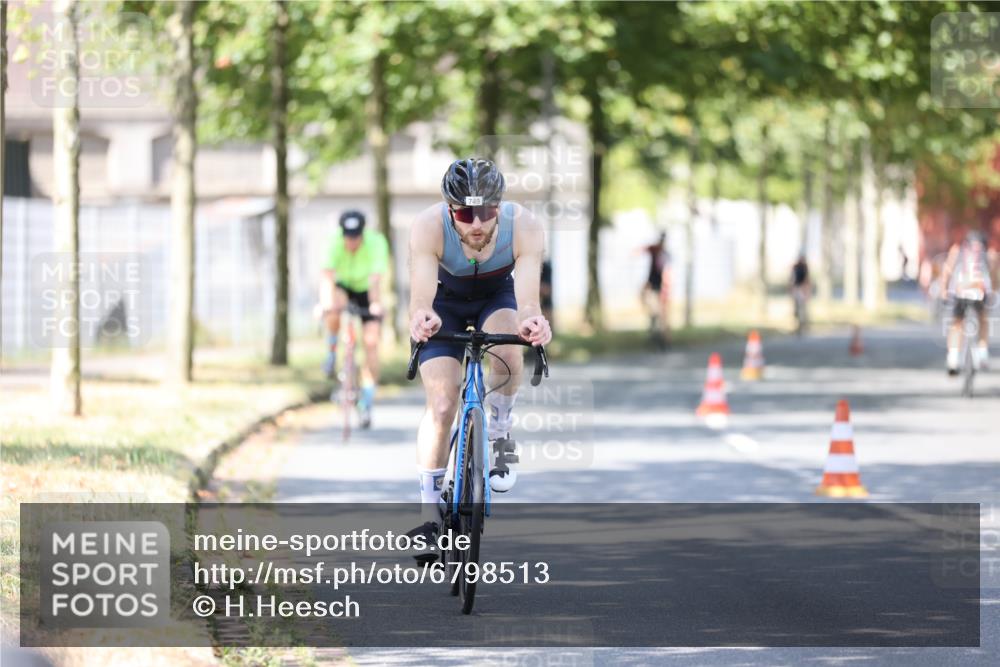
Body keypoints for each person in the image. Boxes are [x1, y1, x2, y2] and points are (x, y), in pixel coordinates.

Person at [406, 158, 552, 549]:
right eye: (465, 213)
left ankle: (500, 432)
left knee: (509, 340)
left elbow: (527, 302)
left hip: (496, 297)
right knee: (441, 404)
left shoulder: (524, 226)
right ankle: (428, 513)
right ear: (450, 209)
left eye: (486, 212)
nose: (476, 223)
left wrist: (533, 321)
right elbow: (421, 296)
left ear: (499, 208)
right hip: (444, 302)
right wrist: (421, 317)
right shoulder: (428, 226)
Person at [319, 210, 389, 428]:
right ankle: (331, 351)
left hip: (367, 290)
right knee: (332, 308)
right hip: (343, 287)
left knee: (371, 343)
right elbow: (327, 278)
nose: (352, 242)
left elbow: (376, 279)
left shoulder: (376, 242)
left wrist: (376, 305)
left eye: (356, 237)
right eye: (348, 237)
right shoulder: (334, 242)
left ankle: (367, 401)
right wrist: (325, 303)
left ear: (363, 233)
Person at [940, 229, 993, 375]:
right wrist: (992, 292)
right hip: (980, 292)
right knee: (983, 319)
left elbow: (947, 270)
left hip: (960, 290)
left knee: (957, 323)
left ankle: (953, 358)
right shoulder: (989, 253)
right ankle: (982, 353)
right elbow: (993, 275)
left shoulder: (957, 250)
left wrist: (943, 290)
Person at [640, 232, 672, 348]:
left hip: (659, 289)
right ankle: (655, 337)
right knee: (654, 314)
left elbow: (667, 273)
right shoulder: (654, 251)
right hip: (652, 288)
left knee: (660, 315)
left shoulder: (664, 255)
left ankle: (661, 339)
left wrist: (665, 289)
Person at [790, 254, 811, 334]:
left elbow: (807, 279)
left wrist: (806, 290)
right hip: (797, 288)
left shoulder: (805, 267)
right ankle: (798, 324)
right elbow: (792, 278)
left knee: (802, 308)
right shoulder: (795, 267)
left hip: (802, 289)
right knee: (797, 308)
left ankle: (803, 324)